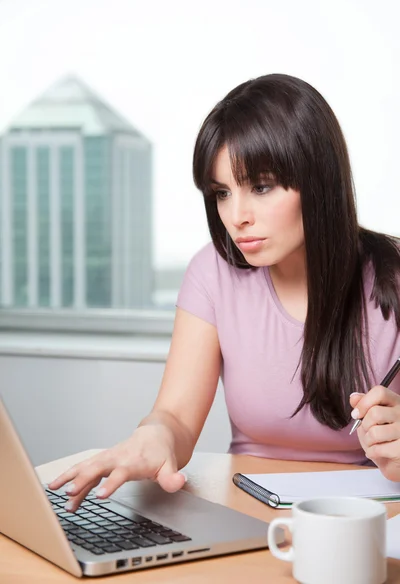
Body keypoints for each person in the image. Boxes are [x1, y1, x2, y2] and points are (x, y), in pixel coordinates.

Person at [50, 73, 400, 511]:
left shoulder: (394, 279)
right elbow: (175, 417)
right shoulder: (212, 273)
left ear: (319, 179)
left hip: (365, 523)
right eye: (221, 193)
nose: (236, 217)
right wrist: (152, 437)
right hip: (250, 515)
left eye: (261, 185)